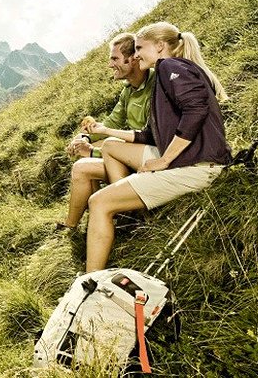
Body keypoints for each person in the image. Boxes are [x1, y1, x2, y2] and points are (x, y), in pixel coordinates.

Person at [84, 21, 230, 271]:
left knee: (99, 202)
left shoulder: (169, 66)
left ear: (160, 46)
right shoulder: (172, 70)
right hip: (195, 160)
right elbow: (151, 135)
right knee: (109, 155)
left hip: (198, 166)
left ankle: (90, 281)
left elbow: (195, 110)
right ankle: (128, 211)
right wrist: (105, 132)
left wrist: (163, 161)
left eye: (140, 47)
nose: (136, 53)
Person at [57, 33, 155, 231]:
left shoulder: (155, 86)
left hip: (146, 158)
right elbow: (111, 122)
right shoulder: (129, 91)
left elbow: (147, 136)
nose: (110, 65)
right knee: (84, 162)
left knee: (82, 167)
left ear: (133, 60)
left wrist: (92, 151)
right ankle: (89, 222)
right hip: (129, 154)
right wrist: (85, 137)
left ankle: (123, 215)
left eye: (115, 58)